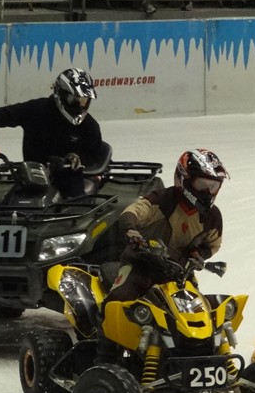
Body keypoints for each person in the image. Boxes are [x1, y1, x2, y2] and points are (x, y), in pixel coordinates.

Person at [97, 148, 228, 361]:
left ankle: (200, 358)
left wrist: (200, 253)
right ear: (183, 179)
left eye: (213, 186)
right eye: (202, 184)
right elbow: (132, 212)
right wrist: (131, 230)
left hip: (180, 274)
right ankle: (103, 358)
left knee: (200, 316)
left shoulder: (212, 216)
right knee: (116, 303)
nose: (207, 192)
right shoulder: (162, 200)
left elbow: (213, 244)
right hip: (141, 266)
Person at [0, 68, 108, 199]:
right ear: (61, 94)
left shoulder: (89, 126)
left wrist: (77, 158)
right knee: (5, 201)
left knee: (75, 204)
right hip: (31, 174)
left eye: (84, 101)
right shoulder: (36, 110)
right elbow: (0, 115)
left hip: (68, 176)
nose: (80, 106)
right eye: (74, 100)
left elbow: (95, 155)